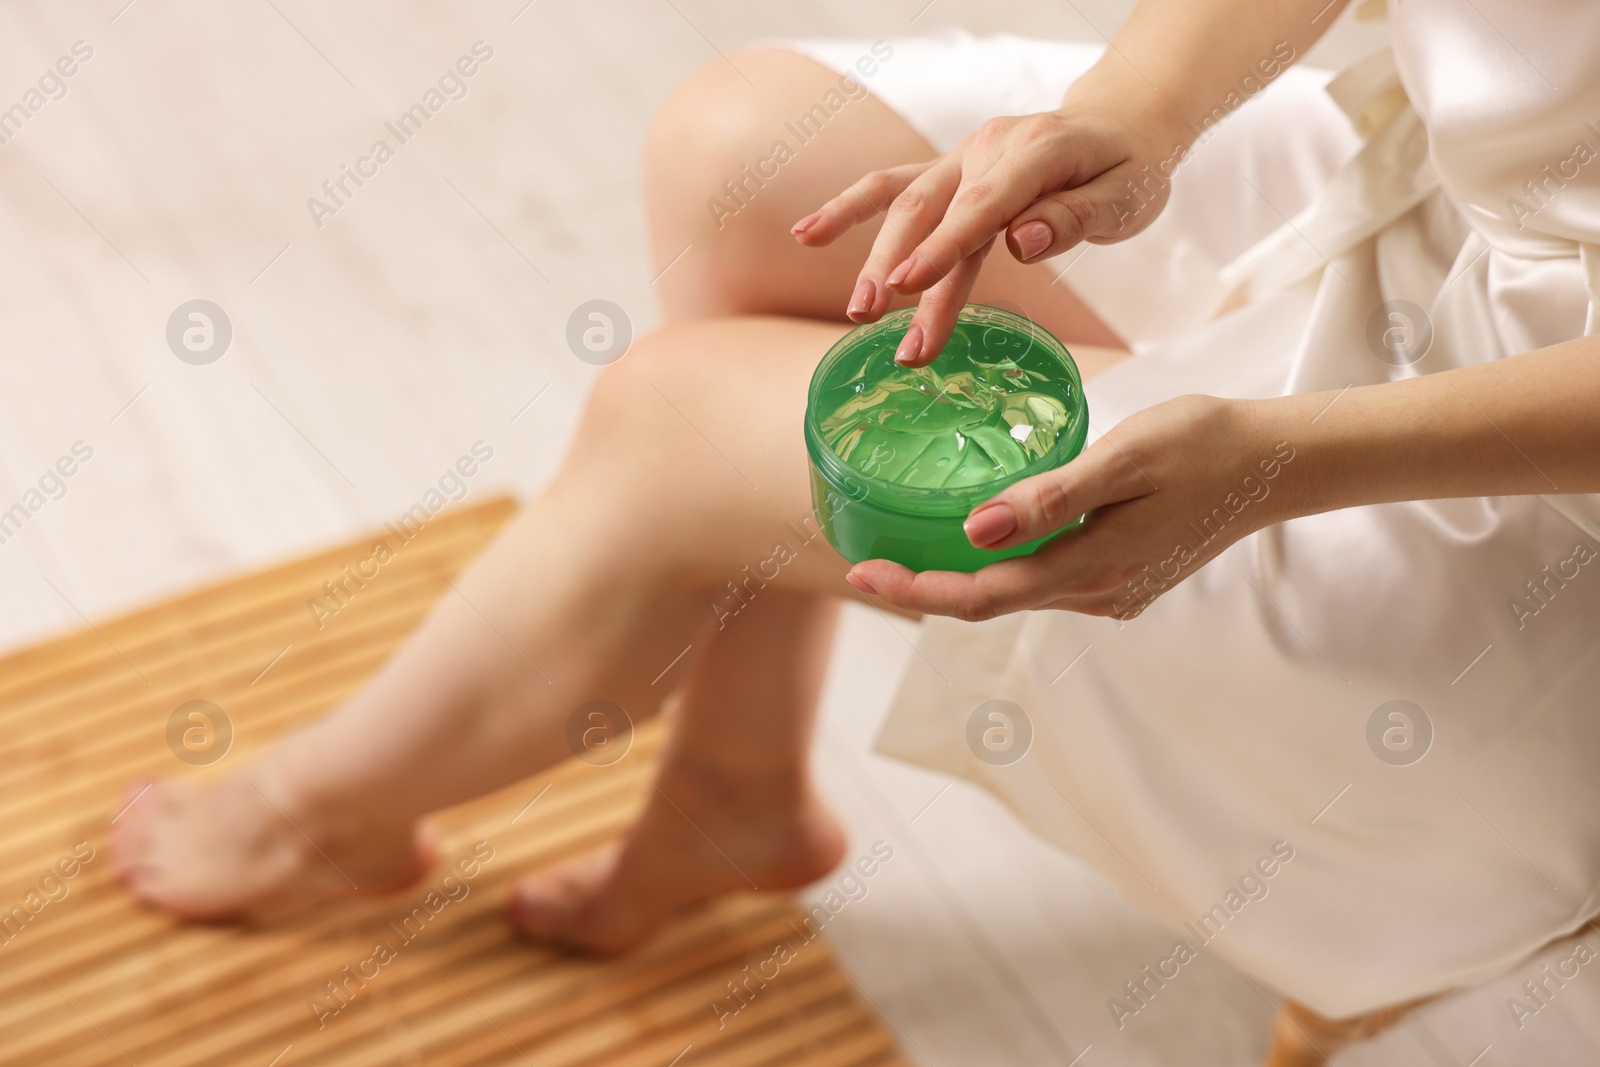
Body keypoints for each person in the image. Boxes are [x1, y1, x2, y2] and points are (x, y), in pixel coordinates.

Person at [112, 0, 1600, 1063]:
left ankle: (332, 814)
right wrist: (1131, 119)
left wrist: (1270, 467)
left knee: (670, 424)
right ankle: (737, 781)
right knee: (747, 150)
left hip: (1518, 460)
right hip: (1440, 204)